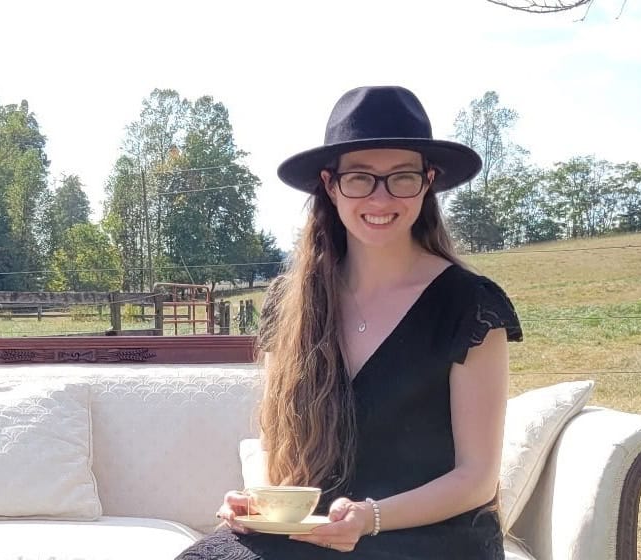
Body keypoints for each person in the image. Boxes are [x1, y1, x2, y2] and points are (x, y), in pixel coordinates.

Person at [176, 86, 523, 560]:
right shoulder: (290, 301)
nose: (381, 198)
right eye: (360, 178)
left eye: (401, 177)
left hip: (432, 535)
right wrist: (256, 504)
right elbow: (278, 456)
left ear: (428, 181)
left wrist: (370, 517)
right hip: (321, 531)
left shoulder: (471, 306)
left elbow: (477, 479)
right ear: (330, 184)